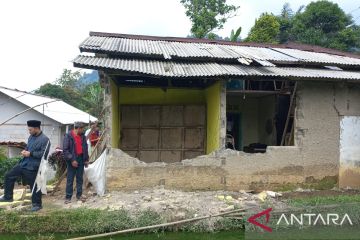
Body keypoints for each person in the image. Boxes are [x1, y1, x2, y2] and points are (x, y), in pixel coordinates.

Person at [0, 120, 50, 212]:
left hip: (34, 166)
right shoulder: (31, 136)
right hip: (24, 163)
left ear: (36, 128)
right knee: (9, 175)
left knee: (34, 185)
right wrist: (25, 151)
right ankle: (8, 197)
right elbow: (28, 147)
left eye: (30, 130)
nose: (29, 131)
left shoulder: (45, 139)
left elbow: (43, 154)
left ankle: (37, 205)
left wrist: (30, 153)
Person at [63, 122, 89, 204]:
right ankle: (68, 197)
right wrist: (72, 160)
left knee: (80, 178)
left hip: (81, 158)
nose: (83, 131)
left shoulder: (83, 137)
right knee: (70, 179)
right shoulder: (68, 136)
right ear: (78, 128)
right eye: (82, 129)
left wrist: (86, 159)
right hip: (72, 159)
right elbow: (65, 150)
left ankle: (79, 195)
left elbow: (85, 148)